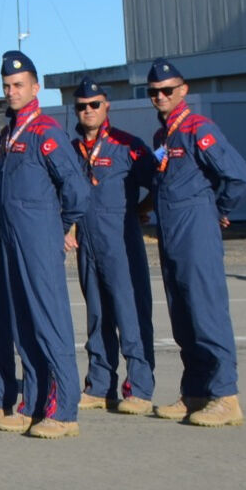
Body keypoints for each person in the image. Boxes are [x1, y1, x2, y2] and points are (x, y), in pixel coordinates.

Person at [145, 59, 246, 428]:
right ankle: (195, 392)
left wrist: (217, 211)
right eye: (154, 92)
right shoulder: (163, 137)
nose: (161, 96)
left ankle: (225, 396)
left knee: (207, 313)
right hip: (171, 234)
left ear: (183, 90)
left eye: (167, 90)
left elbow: (240, 178)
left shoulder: (198, 129)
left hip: (196, 231)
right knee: (183, 315)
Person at [0, 52, 86, 438]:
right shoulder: (10, 134)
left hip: (39, 240)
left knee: (50, 322)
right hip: (12, 240)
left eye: (19, 85)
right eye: (7, 86)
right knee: (24, 323)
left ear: (35, 87)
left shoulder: (46, 131)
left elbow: (77, 190)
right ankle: (32, 403)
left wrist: (57, 228)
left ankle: (64, 410)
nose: (12, 91)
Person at [71, 80, 158, 416]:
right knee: (97, 315)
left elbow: (159, 182)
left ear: (107, 105)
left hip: (121, 241)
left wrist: (141, 209)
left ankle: (139, 387)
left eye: (94, 104)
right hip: (88, 242)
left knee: (130, 313)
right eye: (82, 106)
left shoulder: (127, 145)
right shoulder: (72, 149)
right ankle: (99, 385)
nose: (88, 110)